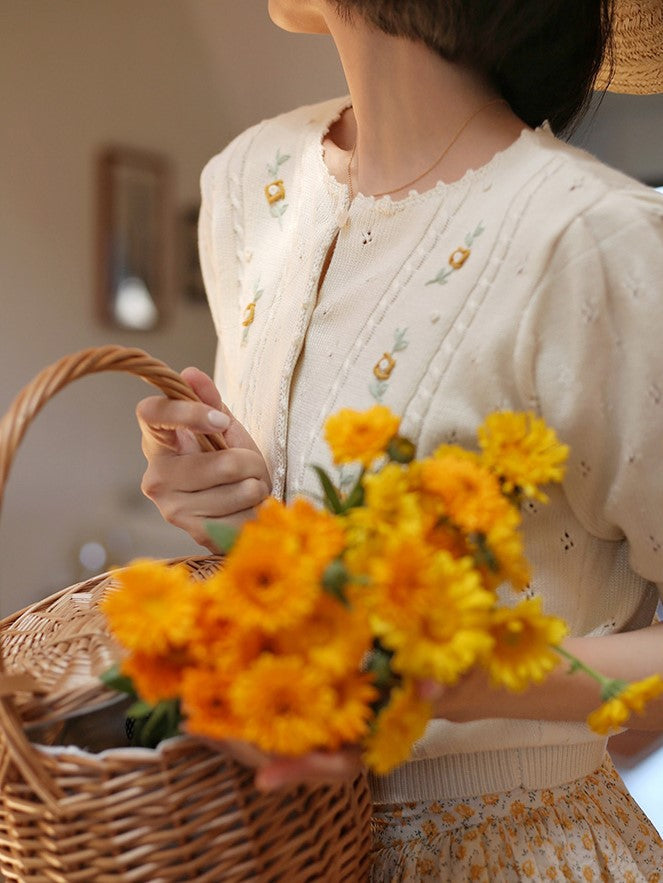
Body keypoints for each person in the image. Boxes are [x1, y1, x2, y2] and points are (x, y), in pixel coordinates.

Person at [136, 0, 663, 879]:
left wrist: (458, 675)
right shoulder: (247, 186)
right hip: (277, 846)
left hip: (525, 852)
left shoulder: (594, 240)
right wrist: (217, 500)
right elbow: (296, 558)